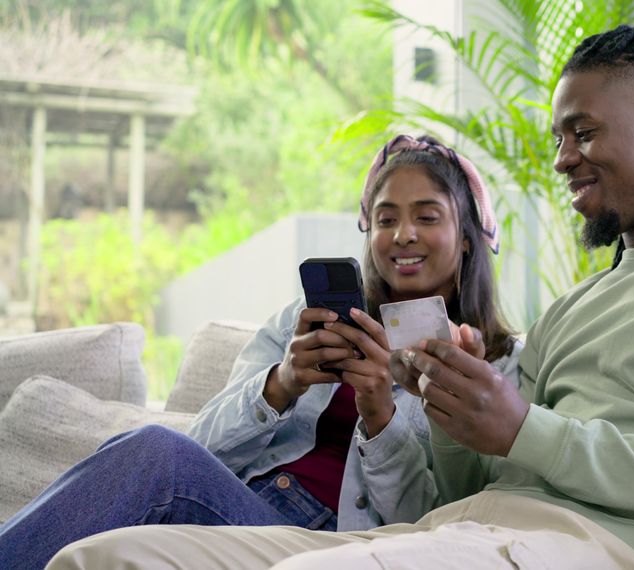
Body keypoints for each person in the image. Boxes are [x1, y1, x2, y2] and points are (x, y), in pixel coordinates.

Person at [46, 24, 634, 570]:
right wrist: (457, 413)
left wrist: (520, 426)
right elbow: (463, 491)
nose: (563, 159)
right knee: (99, 556)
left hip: (588, 549)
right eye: (559, 138)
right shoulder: (576, 308)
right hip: (461, 530)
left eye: (582, 133)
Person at [0, 134, 519, 570]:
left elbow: (434, 525)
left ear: (467, 237)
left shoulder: (493, 366)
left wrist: (382, 414)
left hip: (327, 544)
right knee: (152, 462)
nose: (403, 235)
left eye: (427, 217)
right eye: (386, 219)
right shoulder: (300, 322)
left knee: (154, 452)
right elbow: (203, 446)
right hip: (237, 505)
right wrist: (281, 384)